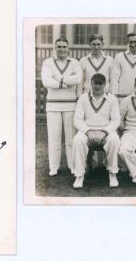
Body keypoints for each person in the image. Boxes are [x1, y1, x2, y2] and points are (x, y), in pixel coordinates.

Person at [41, 37, 82, 176]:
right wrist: (64, 84)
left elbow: (78, 79)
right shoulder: (48, 62)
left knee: (71, 138)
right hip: (52, 105)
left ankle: (72, 166)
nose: (62, 49)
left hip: (71, 105)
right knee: (54, 138)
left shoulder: (75, 62)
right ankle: (54, 167)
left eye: (64, 47)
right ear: (55, 48)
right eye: (59, 47)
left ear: (68, 48)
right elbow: (46, 81)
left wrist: (59, 78)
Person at [72, 74, 120, 188]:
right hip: (87, 130)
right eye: (95, 83)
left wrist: (104, 132)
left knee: (114, 140)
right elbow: (77, 119)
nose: (97, 86)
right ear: (91, 83)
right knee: (78, 140)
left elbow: (116, 120)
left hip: (106, 131)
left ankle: (112, 174)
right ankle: (79, 176)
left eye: (100, 84)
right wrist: (88, 131)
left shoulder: (112, 99)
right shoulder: (83, 98)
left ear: (105, 85)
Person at [111, 33, 136, 101]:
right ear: (128, 43)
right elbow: (114, 78)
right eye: (130, 42)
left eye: (135, 42)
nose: (133, 45)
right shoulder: (119, 57)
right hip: (121, 96)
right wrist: (114, 96)